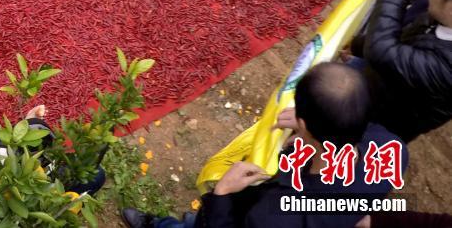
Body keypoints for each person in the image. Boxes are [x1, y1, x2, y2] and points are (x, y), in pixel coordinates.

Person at [121, 63, 405, 228]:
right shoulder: (392, 151)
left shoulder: (275, 216)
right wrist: (309, 134)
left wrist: (222, 194)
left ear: (303, 123)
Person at [364, 0, 452, 140]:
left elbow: (382, 50)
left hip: (381, 123)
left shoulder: (447, 68)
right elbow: (403, 37)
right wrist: (358, 48)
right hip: (379, 83)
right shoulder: (441, 19)